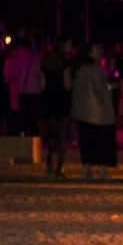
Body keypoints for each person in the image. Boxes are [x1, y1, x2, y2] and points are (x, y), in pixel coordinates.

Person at [70, 42, 119, 179]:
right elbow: (101, 89)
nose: (100, 52)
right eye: (96, 50)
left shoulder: (79, 68)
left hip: (82, 112)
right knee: (101, 141)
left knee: (86, 141)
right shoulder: (95, 69)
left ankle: (86, 167)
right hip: (98, 112)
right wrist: (112, 87)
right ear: (90, 53)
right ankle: (102, 169)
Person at [36, 40, 74, 178]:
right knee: (63, 135)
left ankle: (49, 161)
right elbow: (67, 84)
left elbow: (41, 85)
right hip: (62, 99)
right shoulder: (66, 63)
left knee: (52, 133)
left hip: (49, 99)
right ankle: (60, 167)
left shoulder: (45, 62)